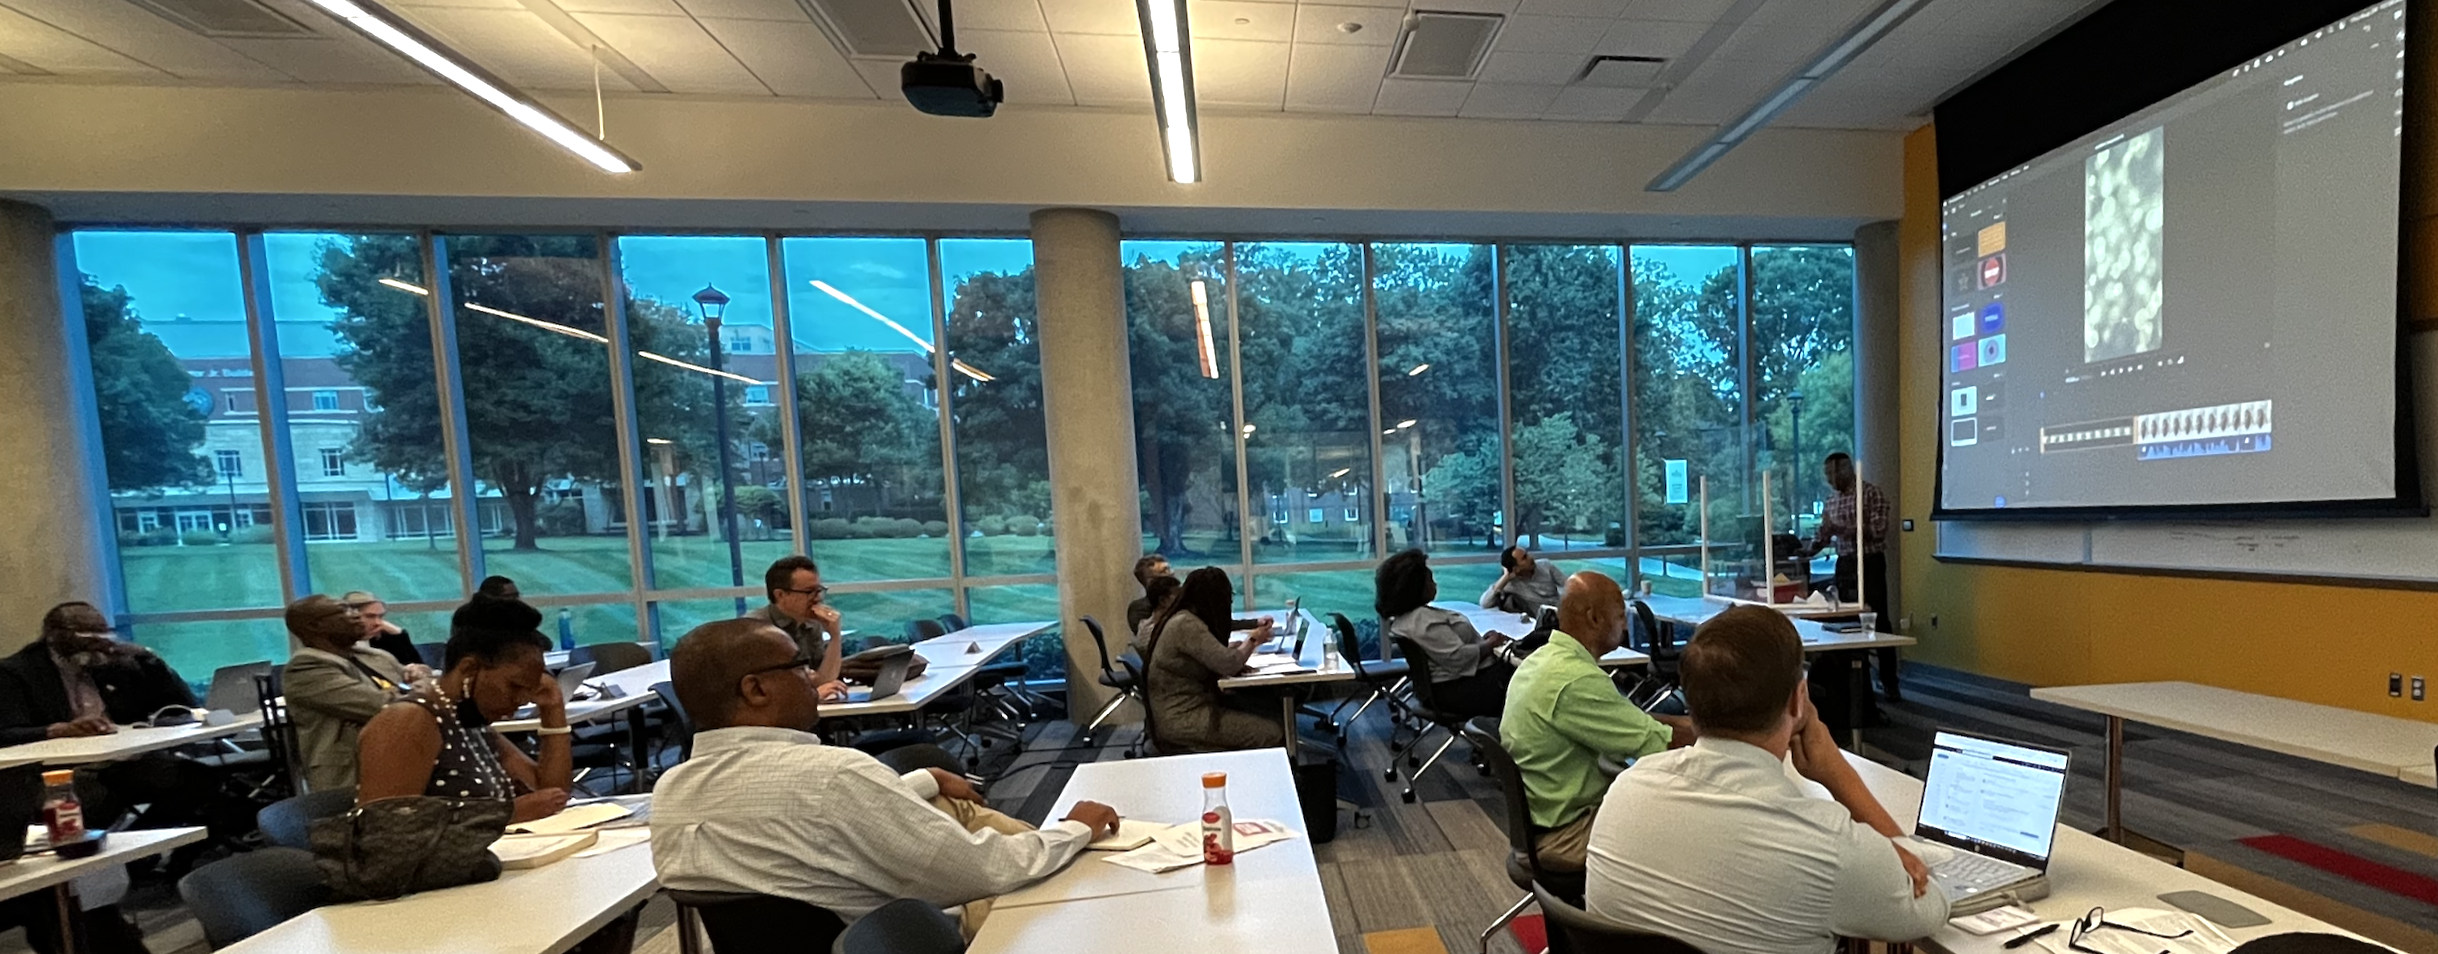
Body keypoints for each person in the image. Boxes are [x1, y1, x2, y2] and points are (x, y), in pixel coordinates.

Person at [651, 618, 1121, 939]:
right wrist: (1073, 829)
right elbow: (981, 873)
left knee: (947, 803)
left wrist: (922, 780)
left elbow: (802, 820)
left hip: (841, 939)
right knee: (1050, 879)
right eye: (799, 666)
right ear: (755, 689)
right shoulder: (832, 777)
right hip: (909, 939)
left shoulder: (671, 792)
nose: (814, 678)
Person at [1583, 605, 1942, 954]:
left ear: (1690, 699)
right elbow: (1924, 909)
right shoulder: (1826, 843)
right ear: (1798, 700)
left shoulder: (1626, 790)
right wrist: (1836, 773)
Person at [1499, 572, 1691, 873]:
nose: (1625, 626)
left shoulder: (1542, 660)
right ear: (1594, 618)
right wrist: (1731, 732)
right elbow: (1662, 743)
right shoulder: (1577, 680)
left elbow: (1631, 721)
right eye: (1620, 616)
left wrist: (1690, 724)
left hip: (1542, 824)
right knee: (1697, 830)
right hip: (1565, 836)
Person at [0, 603, 234, 845]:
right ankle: (99, 860)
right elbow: (6, 733)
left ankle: (144, 853)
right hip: (61, 771)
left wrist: (147, 658)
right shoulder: (17, 672)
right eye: (85, 635)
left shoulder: (109, 663)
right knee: (94, 800)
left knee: (197, 781)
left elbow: (184, 705)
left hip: (118, 760)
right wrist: (59, 729)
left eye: (103, 634)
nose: (97, 642)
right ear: (53, 636)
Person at [354, 597, 573, 824]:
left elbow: (551, 795)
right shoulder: (408, 720)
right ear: (468, 669)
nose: (519, 702)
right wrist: (506, 814)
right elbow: (380, 831)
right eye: (514, 686)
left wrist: (553, 709)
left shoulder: (466, 721)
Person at [282, 595, 415, 792]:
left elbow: (423, 686)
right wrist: (421, 688)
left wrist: (422, 678)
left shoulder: (376, 656)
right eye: (344, 611)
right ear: (315, 626)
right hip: (351, 778)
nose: (356, 617)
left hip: (402, 760)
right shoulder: (306, 668)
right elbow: (381, 706)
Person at [1140, 568, 1281, 753]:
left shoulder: (1181, 618)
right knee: (1270, 732)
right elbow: (1228, 664)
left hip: (1179, 713)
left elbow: (1210, 657)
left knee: (1266, 710)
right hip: (1186, 719)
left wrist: (1233, 650)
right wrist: (1253, 640)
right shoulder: (1186, 625)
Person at [1802, 451, 1898, 701]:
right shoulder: (1831, 502)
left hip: (1869, 562)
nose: (1831, 479)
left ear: (1847, 470)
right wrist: (1806, 551)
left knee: (1877, 619)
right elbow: (1824, 535)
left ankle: (1890, 682)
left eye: (1834, 473)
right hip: (1845, 564)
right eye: (1827, 475)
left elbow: (1879, 531)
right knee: (1847, 621)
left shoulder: (1870, 493)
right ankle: (1857, 683)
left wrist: (1842, 530)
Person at [1377, 548, 1518, 716]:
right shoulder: (1423, 622)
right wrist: (1490, 644)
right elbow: (1458, 658)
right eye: (1430, 580)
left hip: (1448, 686)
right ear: (1415, 588)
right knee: (1528, 674)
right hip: (1460, 690)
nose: (1435, 584)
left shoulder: (1407, 619)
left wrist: (1483, 642)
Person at [756, 555, 848, 703]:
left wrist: (835, 637)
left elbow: (823, 681)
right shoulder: (757, 629)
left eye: (819, 591)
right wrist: (813, 696)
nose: (817, 598)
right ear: (780, 594)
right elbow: (767, 692)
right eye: (809, 592)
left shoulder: (811, 624)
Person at [342, 590, 421, 669]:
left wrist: (399, 635)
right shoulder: (337, 646)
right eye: (370, 616)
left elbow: (418, 668)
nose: (378, 623)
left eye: (380, 617)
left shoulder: (381, 638)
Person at [1481, 545, 1563, 615]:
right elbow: (1485, 603)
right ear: (1516, 569)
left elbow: (1568, 585)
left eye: (1527, 554)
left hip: (1564, 611)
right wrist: (1505, 577)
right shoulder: (1511, 584)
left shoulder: (1545, 565)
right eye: (1524, 558)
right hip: (1544, 621)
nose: (1530, 558)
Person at [1125, 555, 1173, 633]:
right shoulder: (1139, 608)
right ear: (1150, 581)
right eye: (1163, 572)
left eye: (1169, 569)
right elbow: (1146, 636)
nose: (1171, 574)